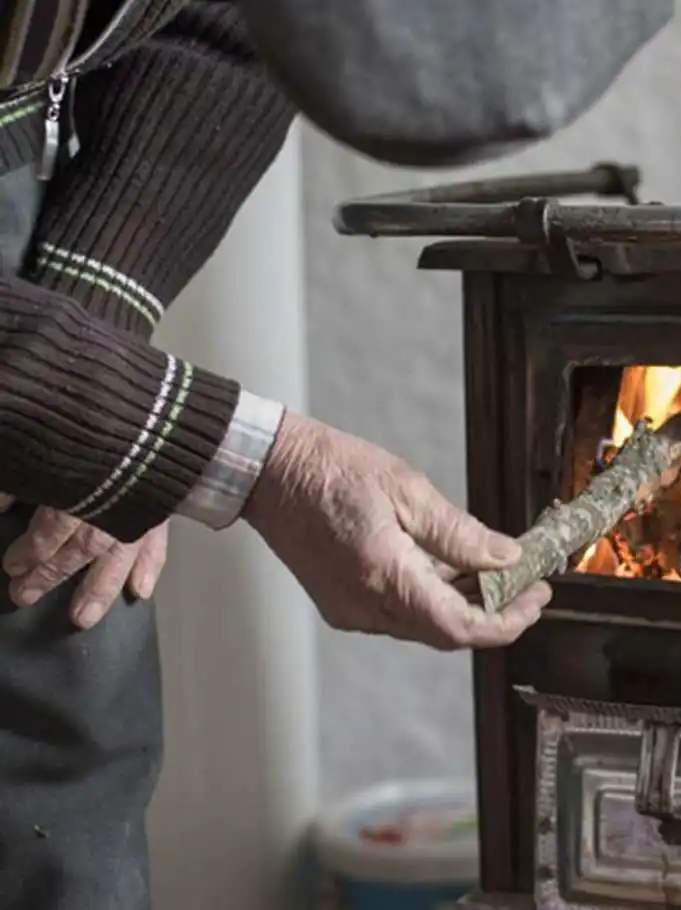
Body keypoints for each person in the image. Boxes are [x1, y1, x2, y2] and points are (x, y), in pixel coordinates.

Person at [0, 2, 552, 906]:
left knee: (64, 724)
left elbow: (233, 25)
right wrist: (228, 454)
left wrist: (78, 388)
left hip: (33, 191)